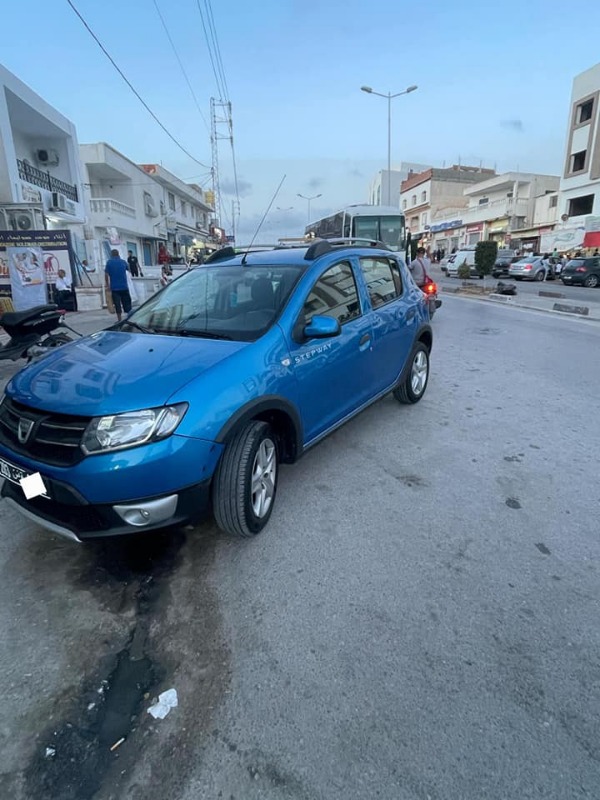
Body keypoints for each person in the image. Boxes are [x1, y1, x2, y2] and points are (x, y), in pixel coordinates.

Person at [105, 249, 132, 322]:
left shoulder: (109, 262)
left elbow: (106, 275)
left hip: (114, 287)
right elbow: (129, 269)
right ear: (118, 254)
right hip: (124, 286)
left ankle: (119, 319)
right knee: (127, 302)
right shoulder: (123, 262)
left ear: (112, 254)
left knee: (117, 304)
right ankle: (129, 318)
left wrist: (107, 285)